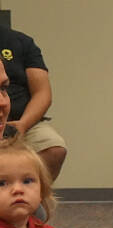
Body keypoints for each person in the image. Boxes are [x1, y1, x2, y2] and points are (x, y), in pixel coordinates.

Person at [0, 25, 66, 180]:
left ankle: (35, 199)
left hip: (24, 122)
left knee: (54, 147)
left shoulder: (21, 42)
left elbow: (43, 93)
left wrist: (22, 125)